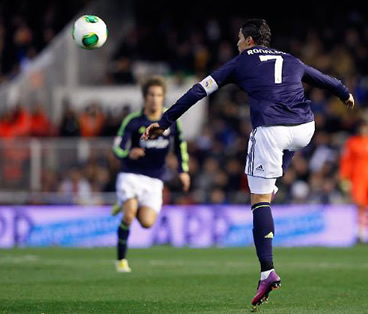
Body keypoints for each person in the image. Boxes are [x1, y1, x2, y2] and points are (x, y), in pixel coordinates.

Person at [141, 19, 354, 309]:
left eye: (239, 38)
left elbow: (198, 91)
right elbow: (323, 79)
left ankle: (267, 272)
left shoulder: (240, 63)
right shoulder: (291, 59)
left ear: (250, 41)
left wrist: (164, 122)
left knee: (260, 200)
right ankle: (273, 180)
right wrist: (344, 93)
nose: (237, 42)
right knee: (280, 159)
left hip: (271, 130)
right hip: (305, 128)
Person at [112, 76, 191, 272]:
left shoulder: (170, 121)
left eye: (158, 95)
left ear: (163, 97)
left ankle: (125, 202)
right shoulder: (133, 121)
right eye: (151, 95)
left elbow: (181, 144)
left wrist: (183, 171)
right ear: (145, 97)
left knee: (147, 223)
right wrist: (127, 153)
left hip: (155, 178)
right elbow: (117, 146)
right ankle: (121, 260)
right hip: (131, 173)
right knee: (129, 216)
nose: (155, 99)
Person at [340, 121, 368, 243]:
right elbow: (346, 161)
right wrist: (345, 178)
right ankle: (360, 232)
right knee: (360, 204)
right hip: (357, 178)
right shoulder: (352, 143)